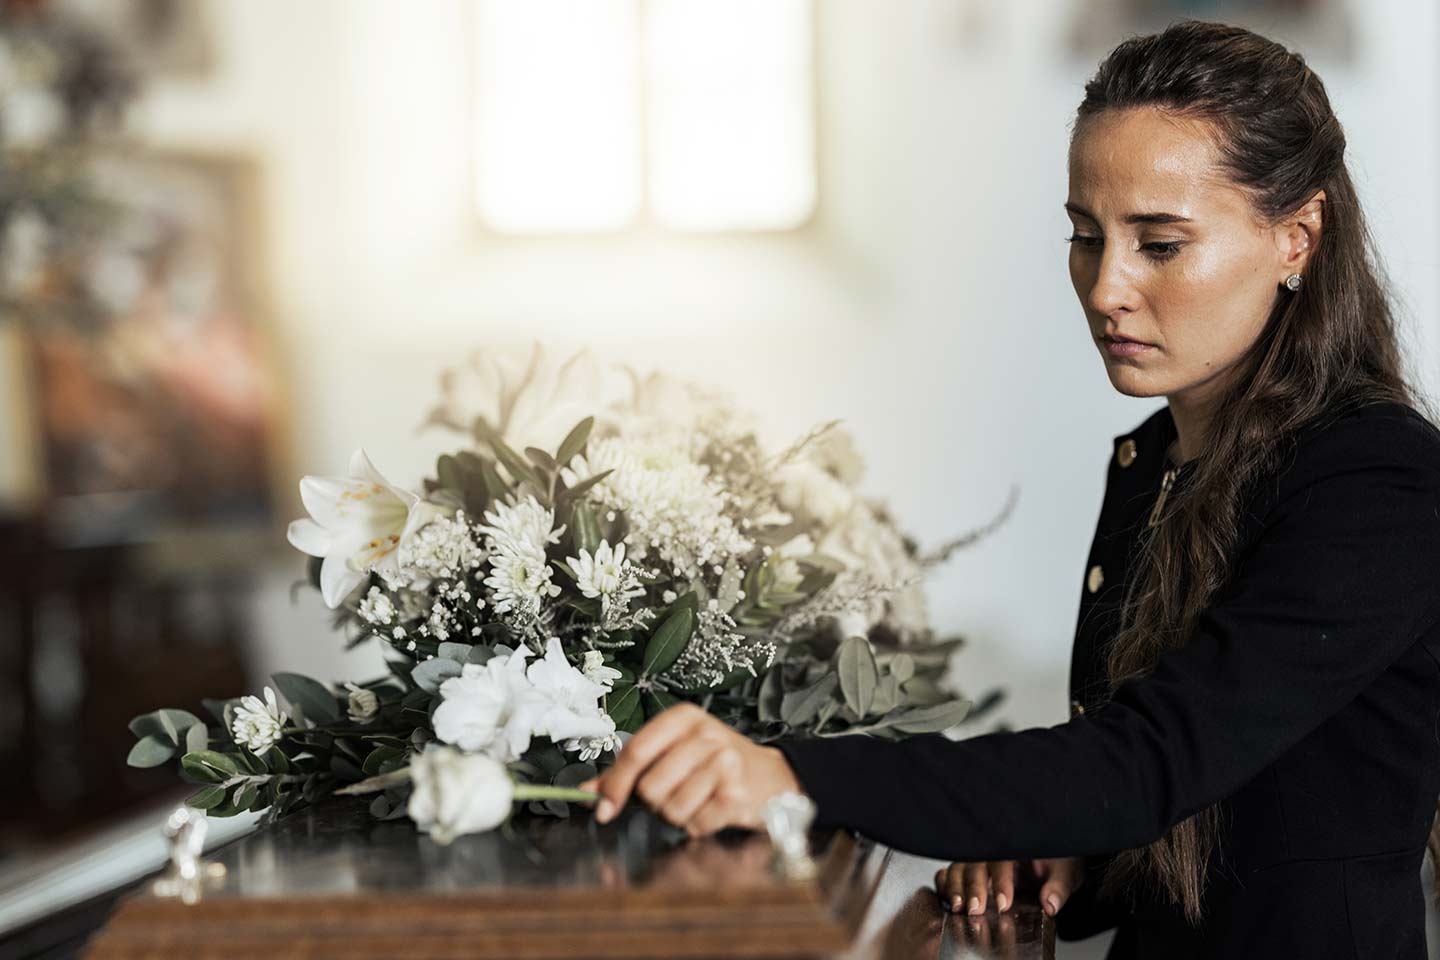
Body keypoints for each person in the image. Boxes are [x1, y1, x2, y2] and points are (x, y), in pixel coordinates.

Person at [579, 19, 1440, 958]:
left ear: (1297, 238)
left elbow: (1150, 761)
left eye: (1158, 243)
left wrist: (792, 772)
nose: (1106, 286)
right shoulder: (1157, 460)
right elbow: (1219, 804)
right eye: (1085, 235)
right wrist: (1070, 856)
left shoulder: (1379, 481)